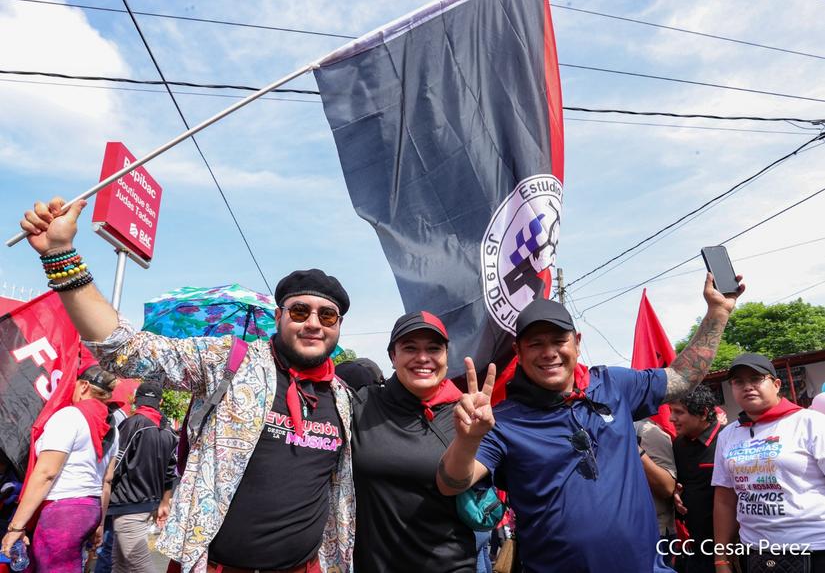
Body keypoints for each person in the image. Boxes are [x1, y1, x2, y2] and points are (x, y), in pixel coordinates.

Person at [19, 197, 355, 573]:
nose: (313, 323)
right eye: (299, 311)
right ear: (279, 317)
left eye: (327, 315)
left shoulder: (343, 399)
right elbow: (124, 350)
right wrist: (61, 254)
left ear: (338, 325)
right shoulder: (231, 361)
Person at [437, 273, 743, 573]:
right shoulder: (503, 420)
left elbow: (681, 378)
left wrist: (718, 312)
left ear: (577, 343)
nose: (549, 353)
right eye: (535, 344)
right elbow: (451, 484)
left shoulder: (612, 385)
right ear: (518, 351)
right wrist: (467, 439)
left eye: (559, 340)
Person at [351, 311, 478, 572]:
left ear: (446, 355)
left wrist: (471, 438)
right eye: (410, 348)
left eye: (434, 348)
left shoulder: (469, 414)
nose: (423, 358)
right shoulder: (361, 406)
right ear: (393, 356)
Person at [712, 353, 825, 573]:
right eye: (738, 382)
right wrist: (721, 559)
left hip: (815, 549)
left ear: (776, 384)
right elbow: (725, 499)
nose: (747, 387)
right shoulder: (728, 435)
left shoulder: (811, 423)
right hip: (755, 552)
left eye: (756, 379)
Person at [0, 365, 119, 572]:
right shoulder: (112, 428)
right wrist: (99, 523)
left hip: (62, 510)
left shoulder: (70, 416)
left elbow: (46, 473)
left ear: (83, 386)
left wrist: (16, 526)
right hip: (90, 508)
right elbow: (106, 480)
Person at [107, 381, 178, 573]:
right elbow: (170, 472)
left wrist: (101, 493)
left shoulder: (133, 424)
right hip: (147, 503)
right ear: (160, 402)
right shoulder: (168, 431)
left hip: (129, 503)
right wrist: (164, 502)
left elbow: (116, 464)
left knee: (138, 564)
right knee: (120, 563)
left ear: (136, 400)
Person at [669, 385, 721, 573]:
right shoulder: (678, 445)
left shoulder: (728, 439)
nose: (671, 418)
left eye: (679, 412)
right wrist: (675, 493)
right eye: (671, 411)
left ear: (703, 413)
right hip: (696, 546)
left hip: (733, 545)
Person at [635, 418, 677, 545]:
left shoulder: (648, 432)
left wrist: (633, 448)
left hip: (653, 534)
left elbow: (668, 488)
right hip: (615, 532)